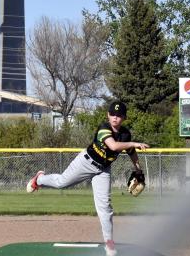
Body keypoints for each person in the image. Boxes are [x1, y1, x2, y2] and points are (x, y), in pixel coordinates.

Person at [25, 101, 149, 256]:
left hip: (103, 170)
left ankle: (109, 243)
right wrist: (134, 143)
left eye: (119, 115)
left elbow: (131, 152)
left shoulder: (125, 134)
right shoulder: (104, 128)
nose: (115, 118)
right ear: (108, 115)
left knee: (105, 207)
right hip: (86, 162)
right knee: (61, 182)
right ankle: (39, 179)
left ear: (124, 117)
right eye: (113, 114)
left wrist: (138, 170)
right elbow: (113, 146)